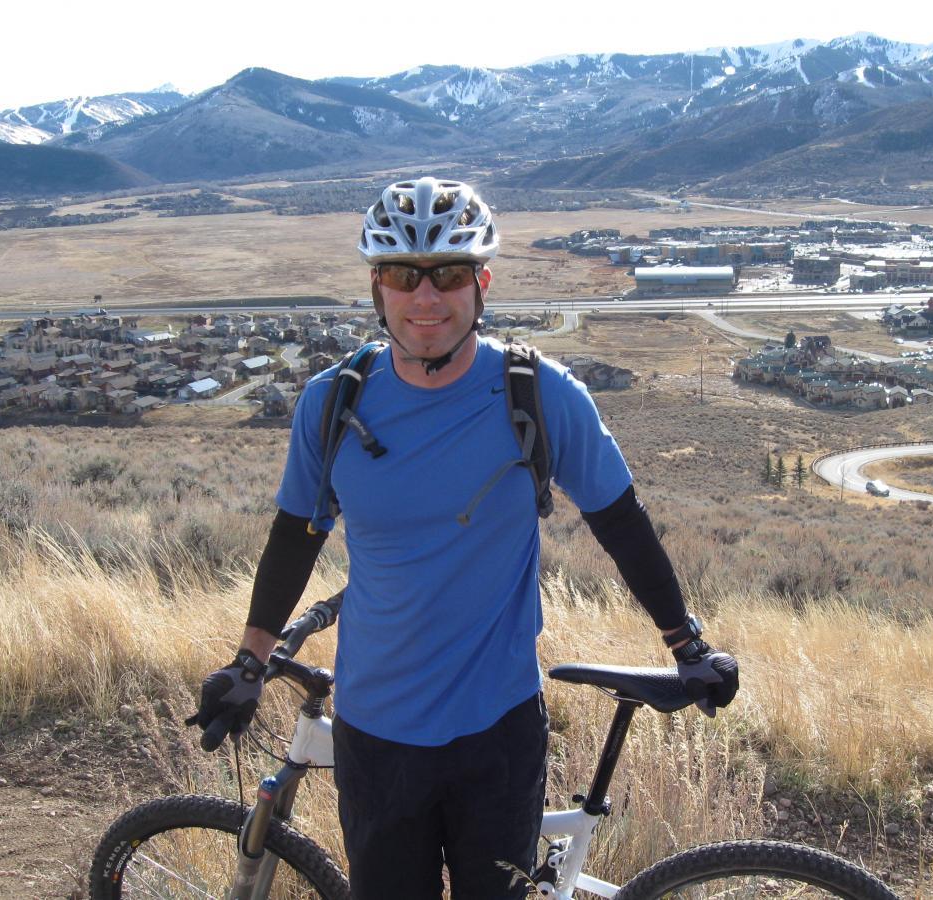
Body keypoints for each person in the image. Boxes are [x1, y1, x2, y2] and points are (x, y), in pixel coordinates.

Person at [188, 176, 739, 899]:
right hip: (376, 736)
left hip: (497, 735)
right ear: (376, 287)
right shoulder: (333, 403)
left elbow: (620, 522)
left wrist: (685, 645)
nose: (426, 299)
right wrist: (249, 662)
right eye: (401, 276)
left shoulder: (538, 394)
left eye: (448, 275)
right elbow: (297, 534)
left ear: (481, 283)